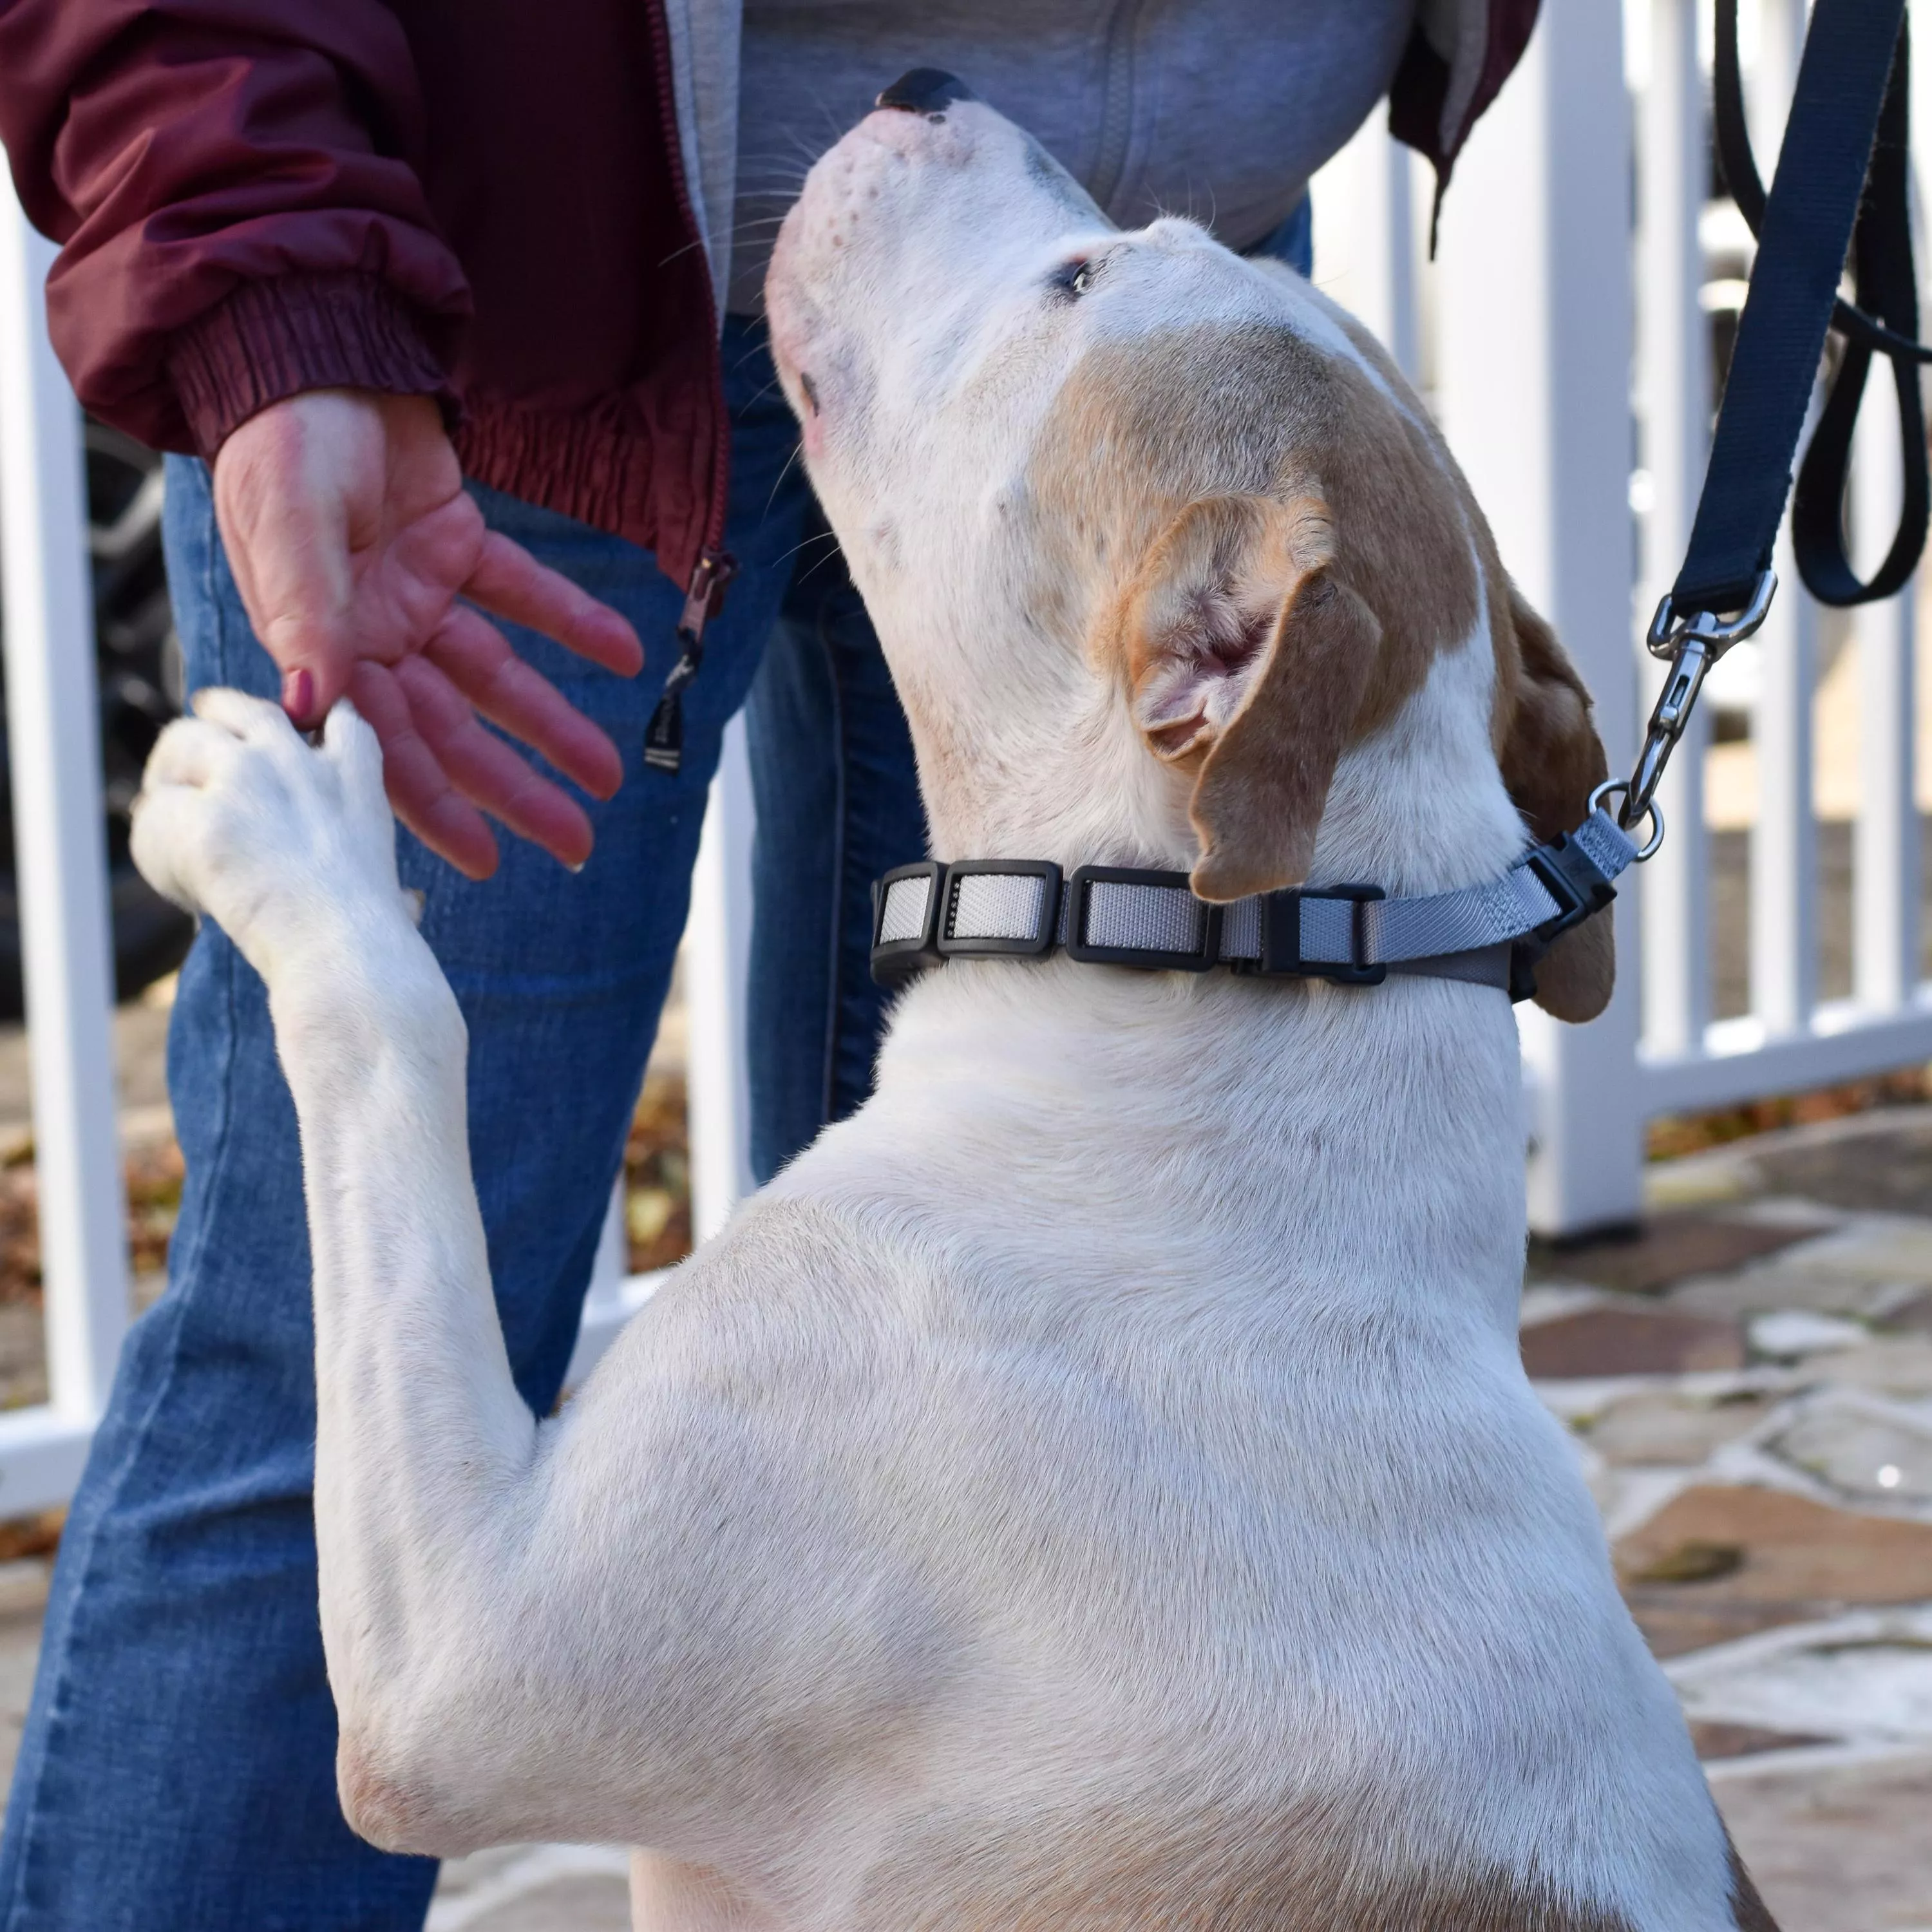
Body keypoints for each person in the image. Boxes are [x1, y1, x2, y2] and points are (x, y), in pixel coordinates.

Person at [0, 3, 1536, 1924]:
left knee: (968, 1597)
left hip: (1123, 381)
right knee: (334, 1402)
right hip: (549, 287)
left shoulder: (1211, 503)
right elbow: (440, 1721)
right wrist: (266, 283)